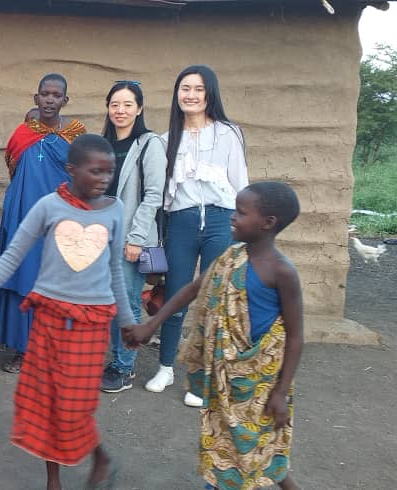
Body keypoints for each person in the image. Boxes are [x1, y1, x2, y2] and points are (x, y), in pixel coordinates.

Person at [0, 134, 131, 490]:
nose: (103, 179)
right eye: (95, 171)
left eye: (108, 172)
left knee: (74, 404)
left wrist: (128, 321)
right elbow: (13, 254)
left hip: (91, 324)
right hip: (48, 319)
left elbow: (115, 273)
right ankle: (54, 480)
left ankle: (101, 457)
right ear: (71, 170)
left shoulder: (115, 210)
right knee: (46, 401)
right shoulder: (49, 206)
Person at [123, 182, 304, 490]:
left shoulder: (282, 271)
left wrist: (280, 392)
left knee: (252, 443)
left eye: (241, 212)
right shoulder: (231, 256)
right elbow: (192, 290)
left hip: (259, 379)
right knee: (234, 442)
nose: (232, 217)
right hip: (225, 374)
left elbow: (296, 336)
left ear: (268, 223)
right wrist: (151, 325)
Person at [145, 65, 248, 406]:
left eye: (198, 89)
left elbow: (240, 184)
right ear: (177, 94)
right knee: (176, 293)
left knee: (213, 298)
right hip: (181, 222)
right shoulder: (164, 139)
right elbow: (160, 193)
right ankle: (165, 367)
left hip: (221, 220)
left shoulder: (228, 133)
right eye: (184, 88)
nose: (190, 94)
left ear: (210, 94)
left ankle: (201, 378)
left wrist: (243, 228)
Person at [0, 73, 86, 374]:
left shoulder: (76, 135)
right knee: (24, 278)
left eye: (56, 95)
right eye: (44, 94)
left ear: (65, 100)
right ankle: (23, 349)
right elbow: (15, 170)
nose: (49, 99)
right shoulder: (21, 134)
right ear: (36, 98)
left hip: (61, 221)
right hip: (24, 216)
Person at [98, 81, 167, 393]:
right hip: (103, 237)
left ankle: (123, 368)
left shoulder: (149, 144)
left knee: (126, 302)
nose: (120, 110)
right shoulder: (103, 144)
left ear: (139, 108)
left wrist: (136, 238)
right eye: (115, 104)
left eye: (127, 104)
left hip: (130, 238)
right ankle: (115, 359)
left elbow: (154, 195)